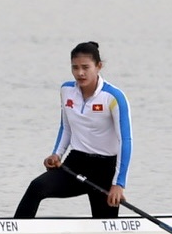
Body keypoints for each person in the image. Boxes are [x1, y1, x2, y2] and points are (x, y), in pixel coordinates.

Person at [14, 42, 132, 219]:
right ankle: (17, 233)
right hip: (75, 164)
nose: (80, 73)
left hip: (105, 171)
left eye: (85, 67)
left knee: (104, 223)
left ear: (99, 66)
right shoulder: (66, 90)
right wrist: (57, 154)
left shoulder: (114, 97)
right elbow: (66, 127)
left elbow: (126, 142)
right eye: (75, 68)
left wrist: (118, 184)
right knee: (36, 187)